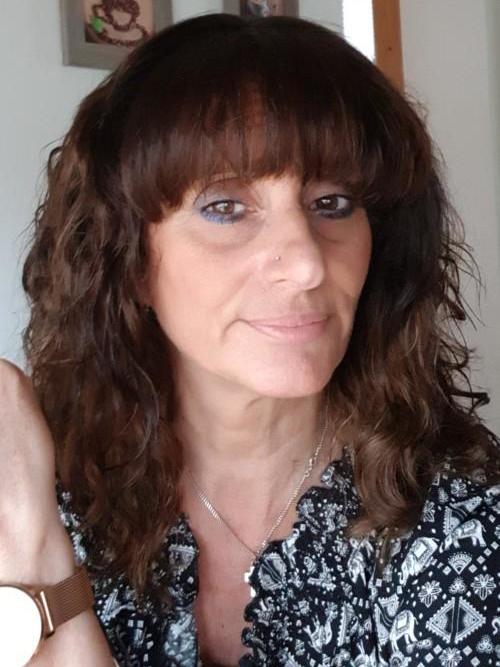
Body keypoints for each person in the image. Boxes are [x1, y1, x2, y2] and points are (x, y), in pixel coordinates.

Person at [1, 10, 498, 667]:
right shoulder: (38, 487)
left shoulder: (464, 521)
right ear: (128, 260)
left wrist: (42, 571)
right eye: (225, 208)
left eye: (332, 204)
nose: (307, 263)